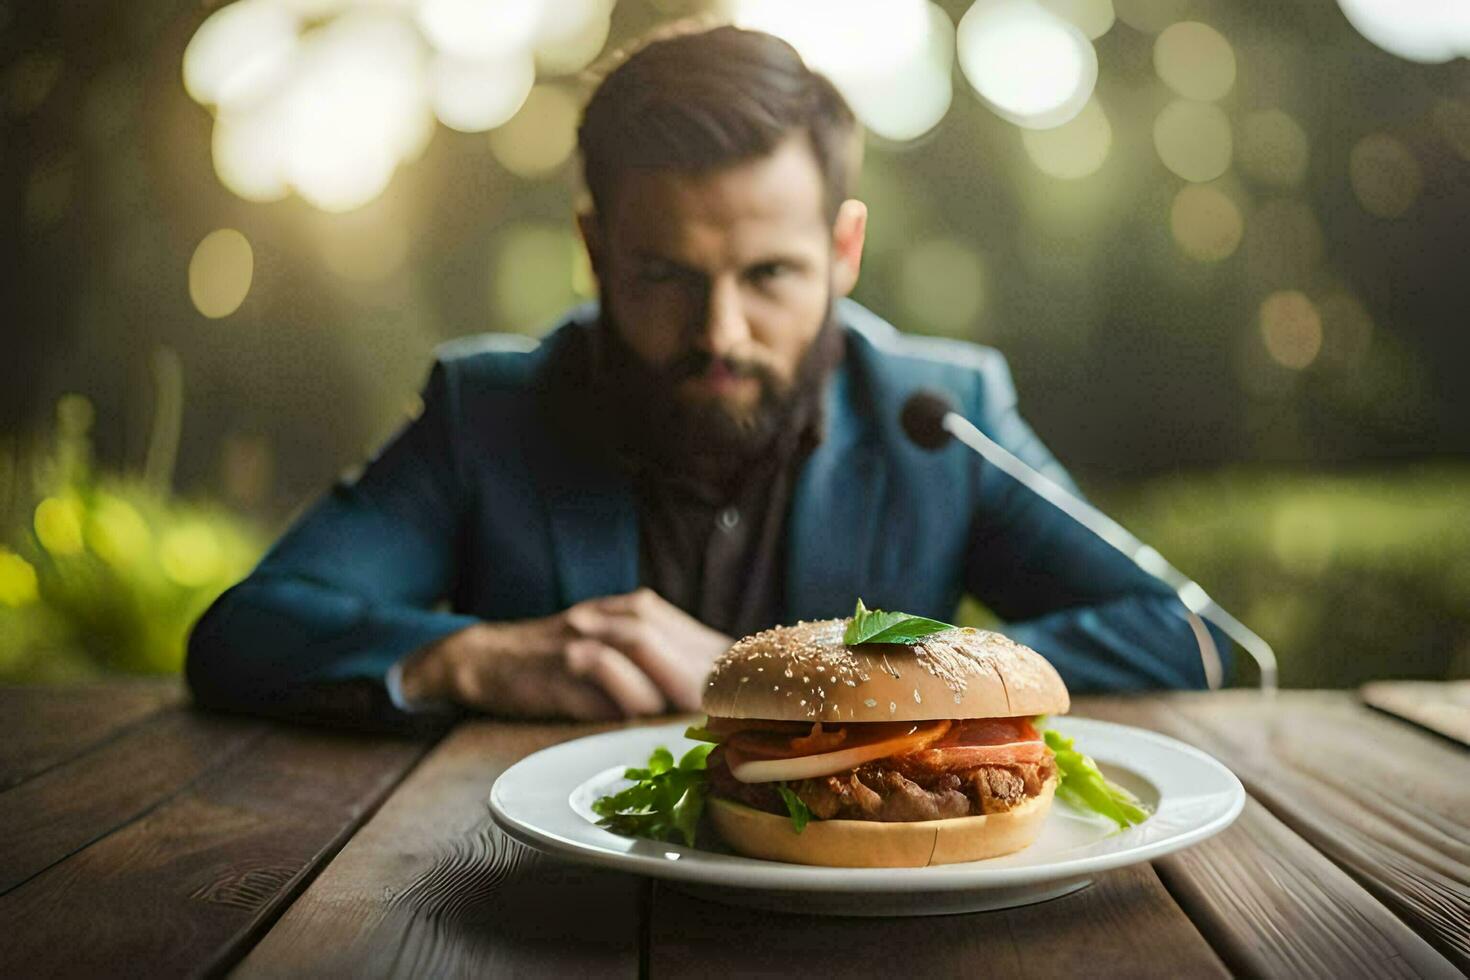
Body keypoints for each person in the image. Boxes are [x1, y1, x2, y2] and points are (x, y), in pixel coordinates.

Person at [186, 24, 1228, 729]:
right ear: (597, 252)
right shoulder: (486, 411)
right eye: (664, 275)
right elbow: (248, 631)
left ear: (845, 250)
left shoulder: (943, 412)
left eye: (771, 273)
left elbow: (1194, 637)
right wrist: (472, 658)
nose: (719, 330)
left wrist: (834, 683)